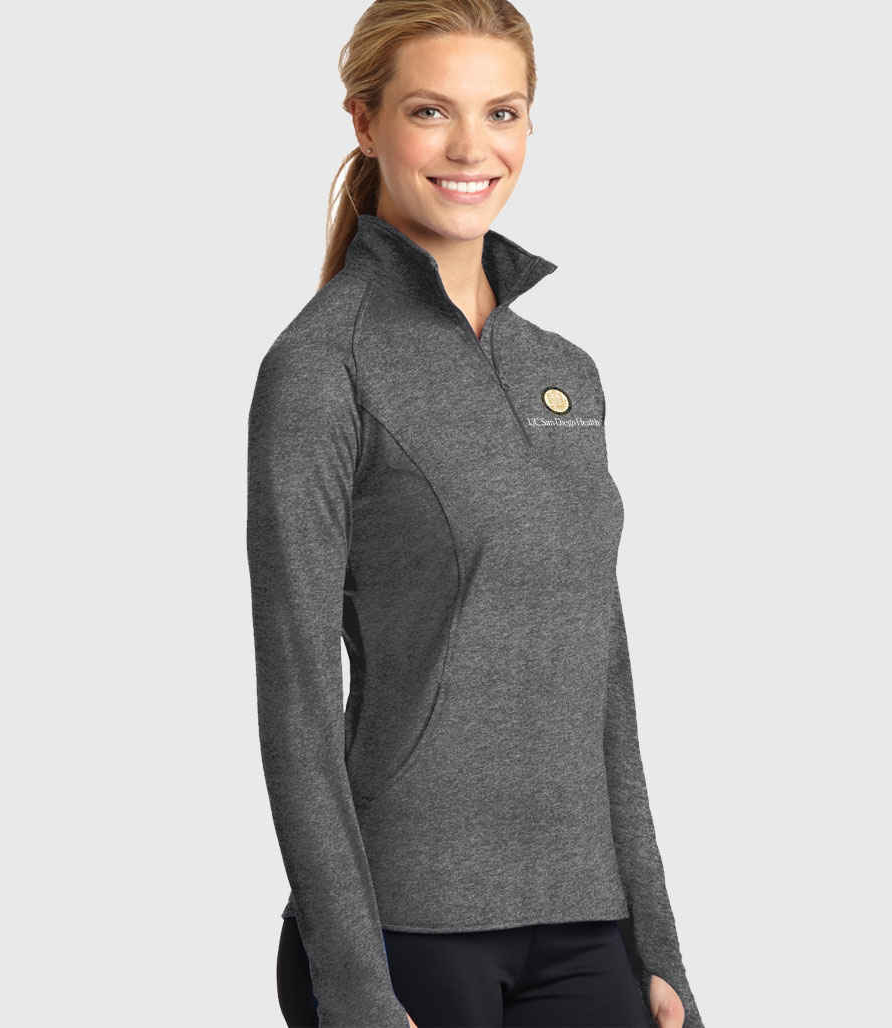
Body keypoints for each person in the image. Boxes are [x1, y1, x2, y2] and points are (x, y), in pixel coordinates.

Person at [245, 2, 705, 1026]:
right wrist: (353, 985)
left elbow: (603, 673)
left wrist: (658, 944)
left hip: (590, 923)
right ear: (364, 124)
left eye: (501, 112)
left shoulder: (563, 372)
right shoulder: (321, 368)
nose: (471, 148)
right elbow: (297, 701)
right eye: (429, 111)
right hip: (404, 927)